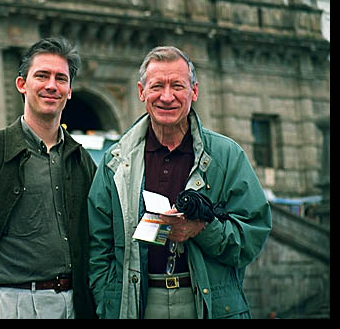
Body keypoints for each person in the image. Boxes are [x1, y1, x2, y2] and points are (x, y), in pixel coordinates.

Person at [87, 46, 272, 319]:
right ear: (141, 92)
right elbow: (98, 245)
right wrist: (107, 301)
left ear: (194, 92)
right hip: (139, 305)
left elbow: (252, 234)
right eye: (157, 86)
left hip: (209, 305)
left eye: (177, 86)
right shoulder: (116, 161)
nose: (166, 96)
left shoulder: (226, 156)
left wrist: (201, 230)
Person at [0, 37, 97, 319]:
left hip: (72, 304)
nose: (51, 85)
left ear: (70, 91)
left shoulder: (80, 160)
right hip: (10, 304)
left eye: (61, 78)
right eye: (42, 76)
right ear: (22, 85)